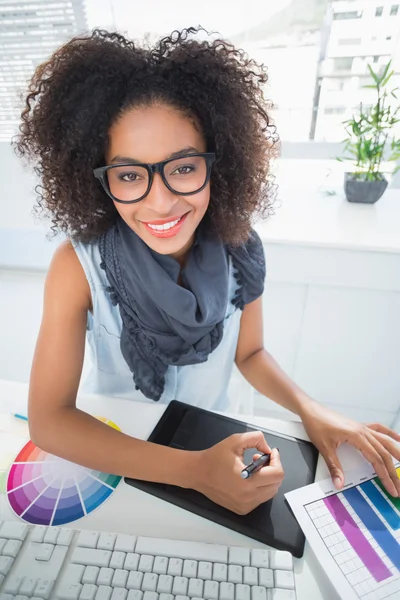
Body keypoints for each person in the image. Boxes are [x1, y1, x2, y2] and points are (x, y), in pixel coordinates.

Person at [15, 27, 400, 515]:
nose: (160, 201)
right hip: (114, 449)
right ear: (99, 180)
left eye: (183, 168)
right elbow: (50, 421)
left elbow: (252, 352)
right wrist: (194, 472)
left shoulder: (242, 247)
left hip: (222, 438)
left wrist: (311, 408)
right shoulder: (77, 265)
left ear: (218, 164)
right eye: (130, 175)